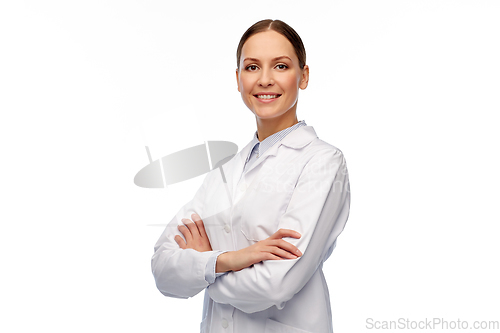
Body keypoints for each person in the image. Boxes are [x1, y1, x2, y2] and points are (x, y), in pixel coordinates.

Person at [152, 19, 351, 333]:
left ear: (304, 76)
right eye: (252, 67)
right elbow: (163, 271)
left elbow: (276, 284)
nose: (265, 80)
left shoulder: (322, 162)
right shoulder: (223, 174)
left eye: (281, 66)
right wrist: (228, 260)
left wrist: (206, 270)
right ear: (238, 78)